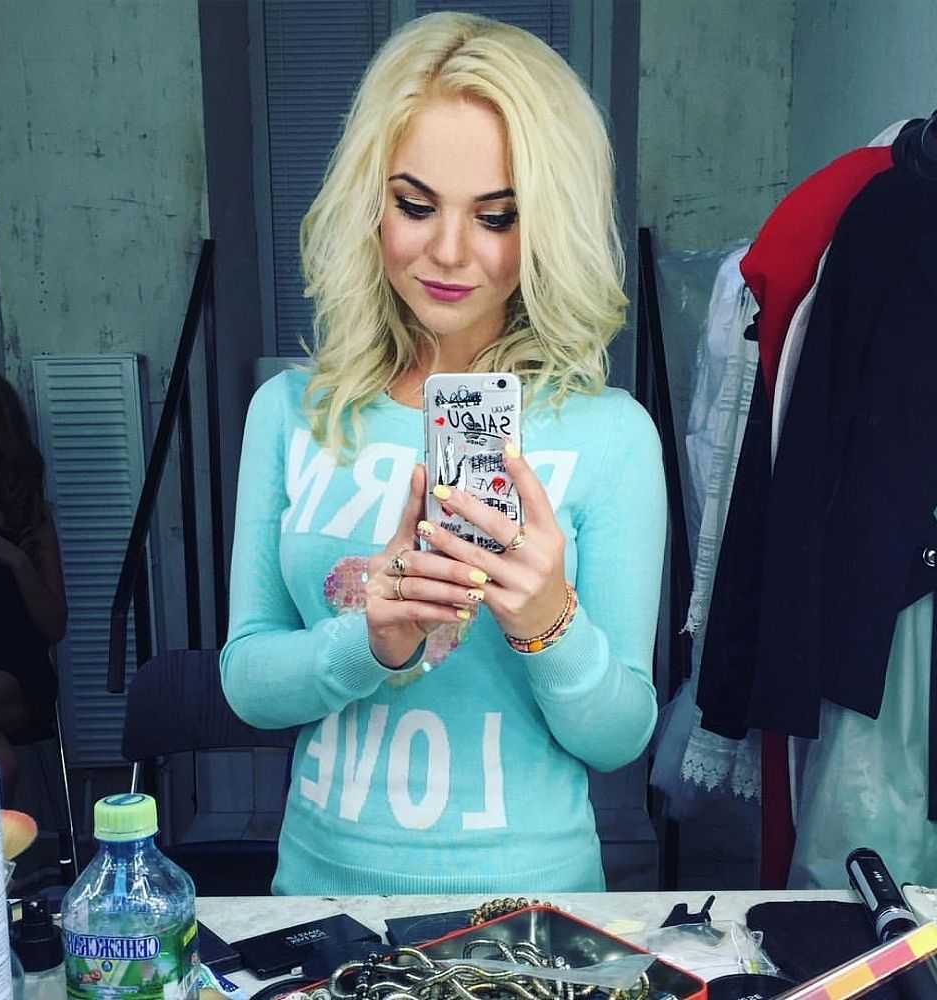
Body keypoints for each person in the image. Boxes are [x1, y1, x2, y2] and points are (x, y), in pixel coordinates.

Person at [221, 11, 667, 894]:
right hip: (319, 900)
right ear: (370, 204)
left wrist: (548, 620)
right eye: (415, 205)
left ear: (547, 226)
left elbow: (618, 739)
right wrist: (369, 641)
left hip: (531, 914)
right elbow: (247, 682)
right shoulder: (290, 414)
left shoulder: (608, 433)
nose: (450, 251)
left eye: (497, 216)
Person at [0, 366, 67, 796]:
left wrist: (14, 558)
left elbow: (55, 627)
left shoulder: (26, 513)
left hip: (13, 671)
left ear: (1, 430)